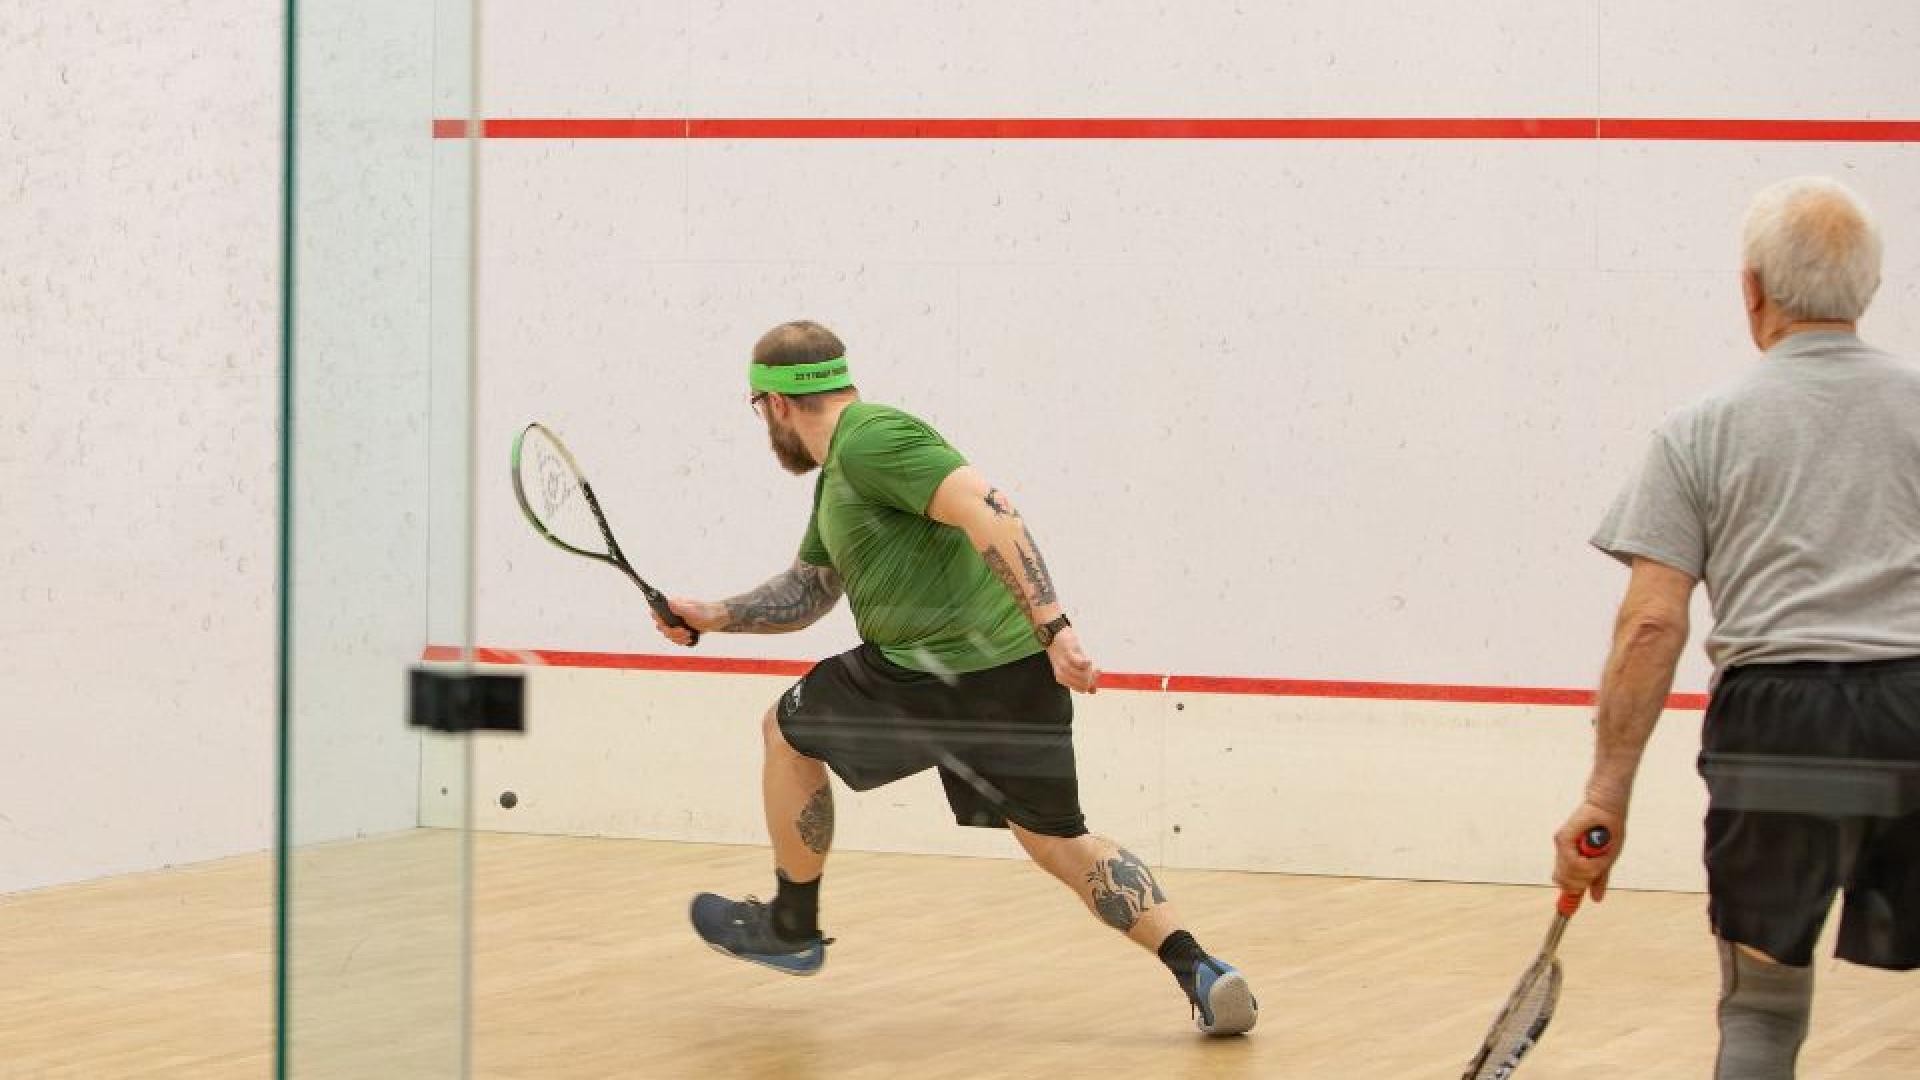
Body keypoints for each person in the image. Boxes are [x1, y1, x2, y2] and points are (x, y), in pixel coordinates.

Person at [649, 319, 1257, 1036]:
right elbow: (808, 591)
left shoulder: (874, 438)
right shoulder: (841, 479)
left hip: (924, 674)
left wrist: (1057, 626)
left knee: (785, 730)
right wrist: (710, 615)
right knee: (1057, 840)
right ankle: (1199, 968)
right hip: (1009, 676)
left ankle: (791, 924)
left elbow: (989, 508)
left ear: (775, 403)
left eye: (758, 411)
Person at [1553, 177, 1920, 1078]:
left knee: (1762, 1009)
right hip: (1916, 710)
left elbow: (1651, 626)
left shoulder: (1698, 431)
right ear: (1867, 290)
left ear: (1751, 289)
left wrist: (1605, 796)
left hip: (1777, 725)